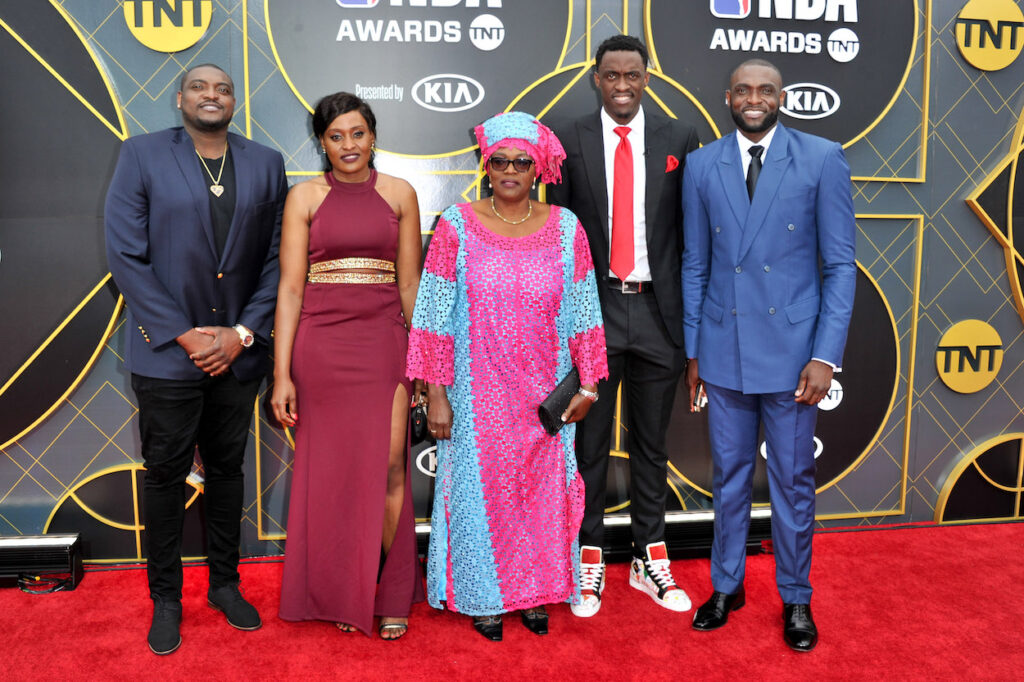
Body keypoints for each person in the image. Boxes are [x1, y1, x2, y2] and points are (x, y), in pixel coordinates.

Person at [104, 64, 288, 655]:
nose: (213, 96)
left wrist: (240, 333)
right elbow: (126, 256)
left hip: (237, 356)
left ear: (236, 100)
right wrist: (185, 335)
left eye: (224, 88)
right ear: (180, 97)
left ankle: (225, 585)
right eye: (200, 87)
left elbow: (279, 260)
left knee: (228, 474)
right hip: (167, 357)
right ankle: (166, 598)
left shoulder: (265, 162)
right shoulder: (141, 155)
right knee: (163, 476)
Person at [407, 111, 608, 642]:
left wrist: (588, 384)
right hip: (475, 396)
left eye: (522, 160)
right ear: (486, 164)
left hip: (547, 395)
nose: (511, 169)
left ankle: (536, 594)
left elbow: (585, 309)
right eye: (500, 161)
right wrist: (436, 393)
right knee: (477, 498)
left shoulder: (567, 228)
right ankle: (483, 599)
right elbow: (431, 316)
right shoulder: (456, 224)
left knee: (541, 500)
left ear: (538, 166)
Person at [681, 58, 856, 652]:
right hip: (724, 349)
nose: (754, 99)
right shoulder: (704, 165)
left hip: (794, 356)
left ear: (783, 97)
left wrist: (825, 355)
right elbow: (697, 264)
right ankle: (726, 586)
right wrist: (694, 350)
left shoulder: (821, 158)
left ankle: (796, 597)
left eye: (766, 90)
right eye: (744, 90)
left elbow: (838, 267)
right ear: (728, 96)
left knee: (792, 482)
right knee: (727, 478)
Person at [547, 34, 700, 617]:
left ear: (646, 78)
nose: (622, 86)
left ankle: (648, 558)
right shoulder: (569, 137)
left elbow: (691, 237)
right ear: (596, 78)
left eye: (632, 75)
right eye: (611, 76)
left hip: (659, 315)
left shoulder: (681, 138)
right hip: (595, 312)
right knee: (587, 446)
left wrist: (693, 330)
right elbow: (558, 235)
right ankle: (588, 561)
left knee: (652, 447)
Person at [272, 92, 425, 640]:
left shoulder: (401, 193)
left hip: (384, 346)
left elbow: (409, 283)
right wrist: (282, 373)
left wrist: (425, 360)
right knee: (334, 476)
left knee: (389, 469)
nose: (348, 145)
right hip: (322, 349)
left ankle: (391, 592)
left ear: (373, 135)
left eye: (357, 133)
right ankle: (342, 590)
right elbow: (290, 289)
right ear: (321, 143)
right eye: (336, 137)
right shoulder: (304, 197)